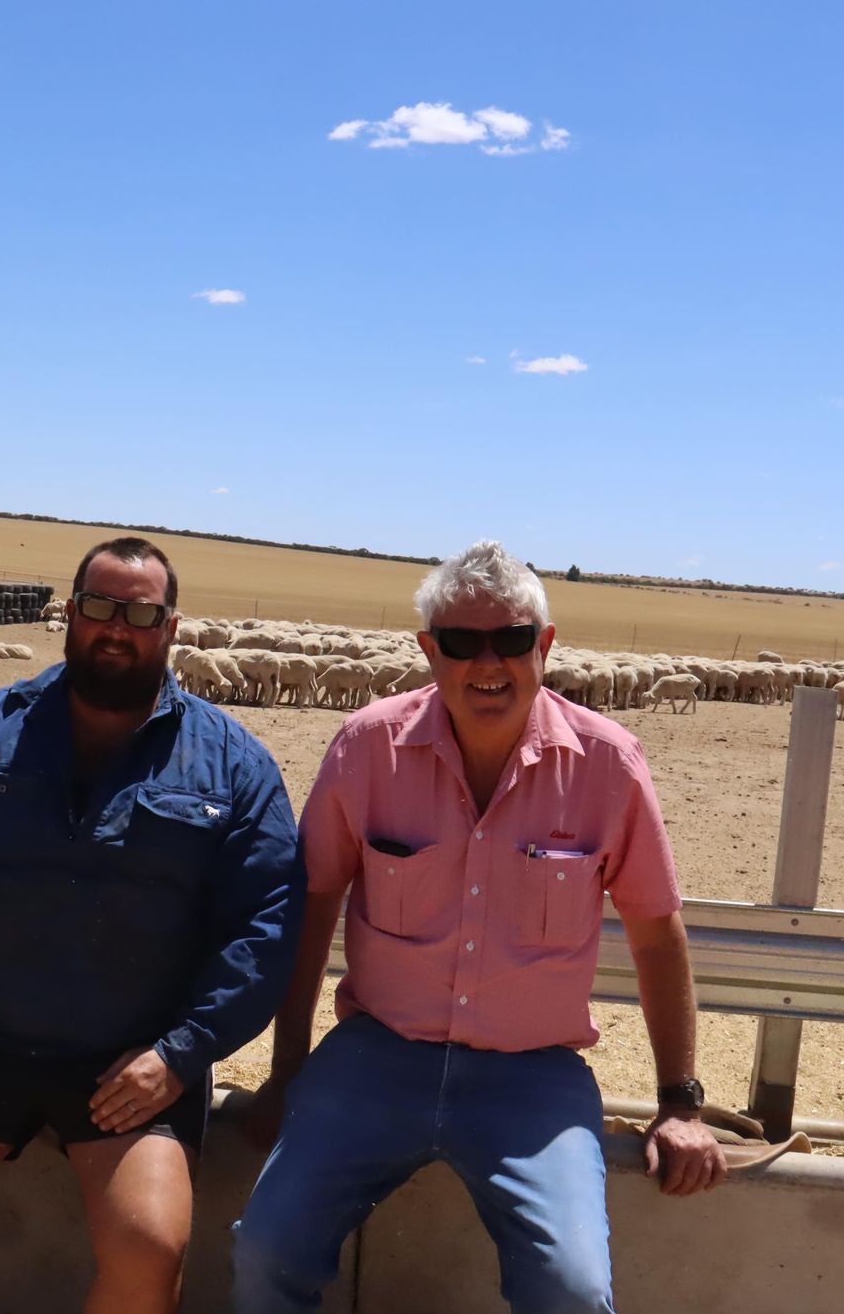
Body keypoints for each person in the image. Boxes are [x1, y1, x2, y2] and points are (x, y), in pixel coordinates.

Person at [231, 539, 727, 1314]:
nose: (486, 662)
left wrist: (680, 1103)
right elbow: (314, 904)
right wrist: (287, 1070)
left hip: (530, 1075)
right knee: (265, 1249)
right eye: (462, 642)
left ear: (547, 645)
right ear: (430, 650)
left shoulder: (609, 764)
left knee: (573, 1290)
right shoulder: (367, 747)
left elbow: (657, 934)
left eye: (512, 639)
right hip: (376, 1059)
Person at [0, 536, 303, 1314]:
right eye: (98, 606)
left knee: (150, 1248)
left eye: (140, 612)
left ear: (172, 626)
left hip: (131, 1063)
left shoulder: (231, 763)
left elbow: (265, 921)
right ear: (70, 615)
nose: (115, 626)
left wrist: (180, 1052)